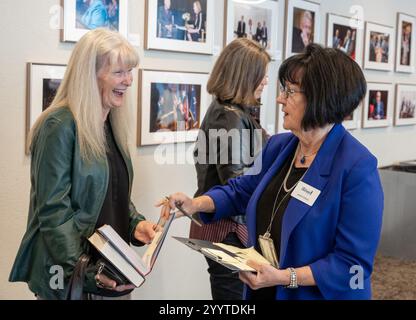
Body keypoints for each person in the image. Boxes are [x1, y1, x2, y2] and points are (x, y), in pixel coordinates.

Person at [160, 44, 384, 300]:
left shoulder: (357, 167)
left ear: (321, 98)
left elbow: (352, 266)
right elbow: (241, 189)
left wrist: (285, 277)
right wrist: (194, 203)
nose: (279, 98)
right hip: (263, 290)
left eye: (289, 91)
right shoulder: (278, 147)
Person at [9, 29, 158, 300]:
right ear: (90, 74)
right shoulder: (58, 126)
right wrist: (85, 270)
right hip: (72, 280)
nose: (128, 80)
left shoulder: (110, 123)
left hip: (110, 273)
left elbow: (110, 196)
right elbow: (54, 212)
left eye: (130, 71)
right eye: (119, 72)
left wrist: (135, 224)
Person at [163, 38, 270, 300]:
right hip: (228, 229)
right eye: (261, 76)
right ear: (244, 76)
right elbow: (237, 182)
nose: (266, 82)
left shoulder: (229, 110)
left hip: (223, 226)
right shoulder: (229, 116)